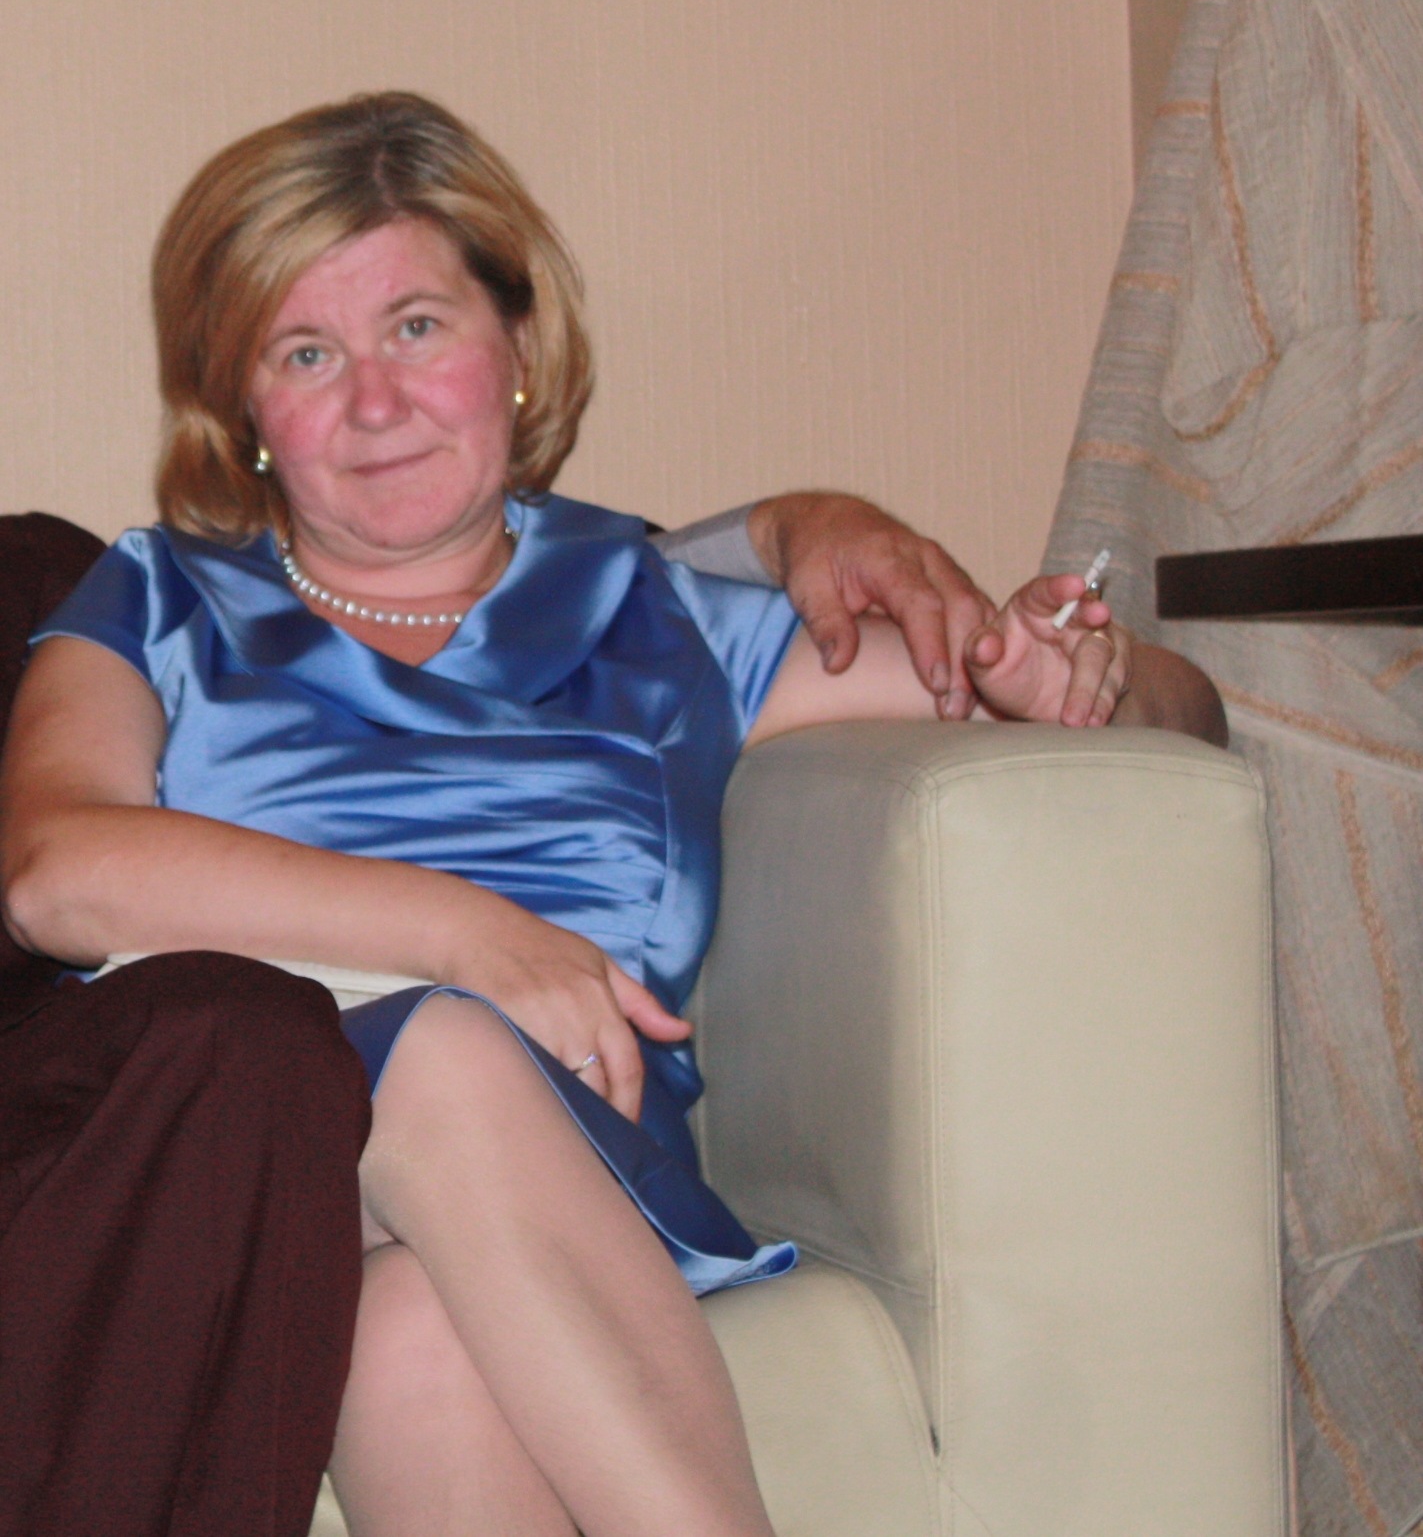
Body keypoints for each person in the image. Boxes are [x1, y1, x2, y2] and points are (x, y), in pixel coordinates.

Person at [0, 91, 1224, 1537]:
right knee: (439, 1047)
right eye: (306, 352)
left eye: (417, 327)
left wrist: (1081, 671)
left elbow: (1180, 713)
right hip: (250, 1163)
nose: (374, 402)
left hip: (578, 1178)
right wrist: (468, 938)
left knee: (414, 1340)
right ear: (247, 407)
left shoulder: (665, 618)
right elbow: (53, 873)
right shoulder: (157, 599)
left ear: (520, 349)